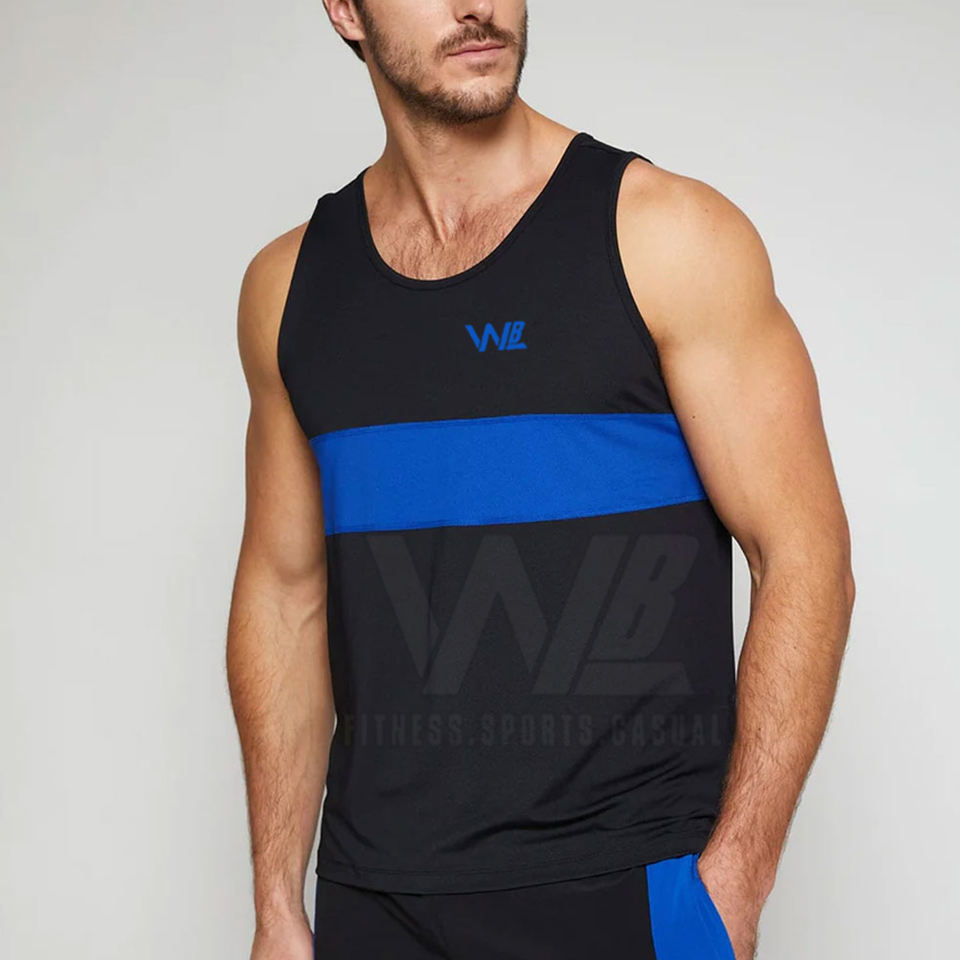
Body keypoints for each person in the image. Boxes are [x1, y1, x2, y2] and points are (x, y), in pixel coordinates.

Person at [226, 2, 855, 958]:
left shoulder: (665, 234)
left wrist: (733, 885)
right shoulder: (290, 287)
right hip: (376, 904)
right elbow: (285, 594)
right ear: (346, 9)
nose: (476, 4)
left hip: (627, 893)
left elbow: (803, 554)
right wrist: (277, 904)